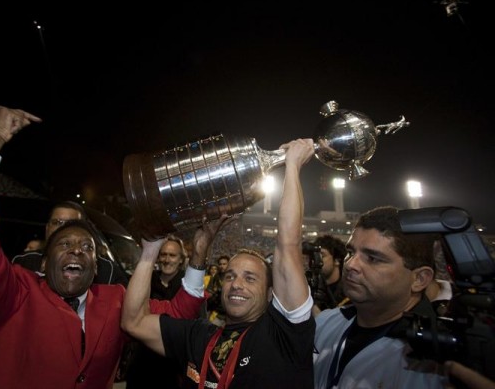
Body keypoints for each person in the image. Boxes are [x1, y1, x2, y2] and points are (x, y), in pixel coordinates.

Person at [0, 105, 207, 389]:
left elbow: (177, 315)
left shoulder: (114, 303)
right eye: (64, 243)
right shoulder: (12, 292)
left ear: (96, 267)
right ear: (43, 262)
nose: (77, 250)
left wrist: (199, 254)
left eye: (87, 247)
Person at [121, 139, 316, 389]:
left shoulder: (284, 335)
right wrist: (150, 252)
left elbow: (288, 245)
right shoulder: (198, 336)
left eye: (250, 278)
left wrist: (292, 166)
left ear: (271, 295)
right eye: (230, 276)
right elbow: (133, 321)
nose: (236, 284)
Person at [313, 205, 449, 388]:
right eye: (351, 253)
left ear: (419, 278)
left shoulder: (434, 361)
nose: (351, 264)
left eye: (373, 258)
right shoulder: (327, 322)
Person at [11, 200, 130, 286]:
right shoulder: (24, 263)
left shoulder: (107, 271)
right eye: (57, 222)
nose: (64, 229)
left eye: (71, 223)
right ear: (47, 228)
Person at [124, 234, 190, 389]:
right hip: (142, 365)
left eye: (172, 255)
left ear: (181, 259)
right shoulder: (144, 280)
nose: (167, 259)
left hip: (173, 367)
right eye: (163, 254)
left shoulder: (188, 287)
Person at [310, 234, 348, 315]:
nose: (315, 260)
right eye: (314, 256)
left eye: (321, 255)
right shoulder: (310, 288)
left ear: (337, 260)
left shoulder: (348, 294)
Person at [206, 254, 229, 326]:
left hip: (229, 313)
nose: (222, 266)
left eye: (224, 264)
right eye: (220, 264)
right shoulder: (216, 277)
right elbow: (209, 290)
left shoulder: (233, 276)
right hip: (216, 312)